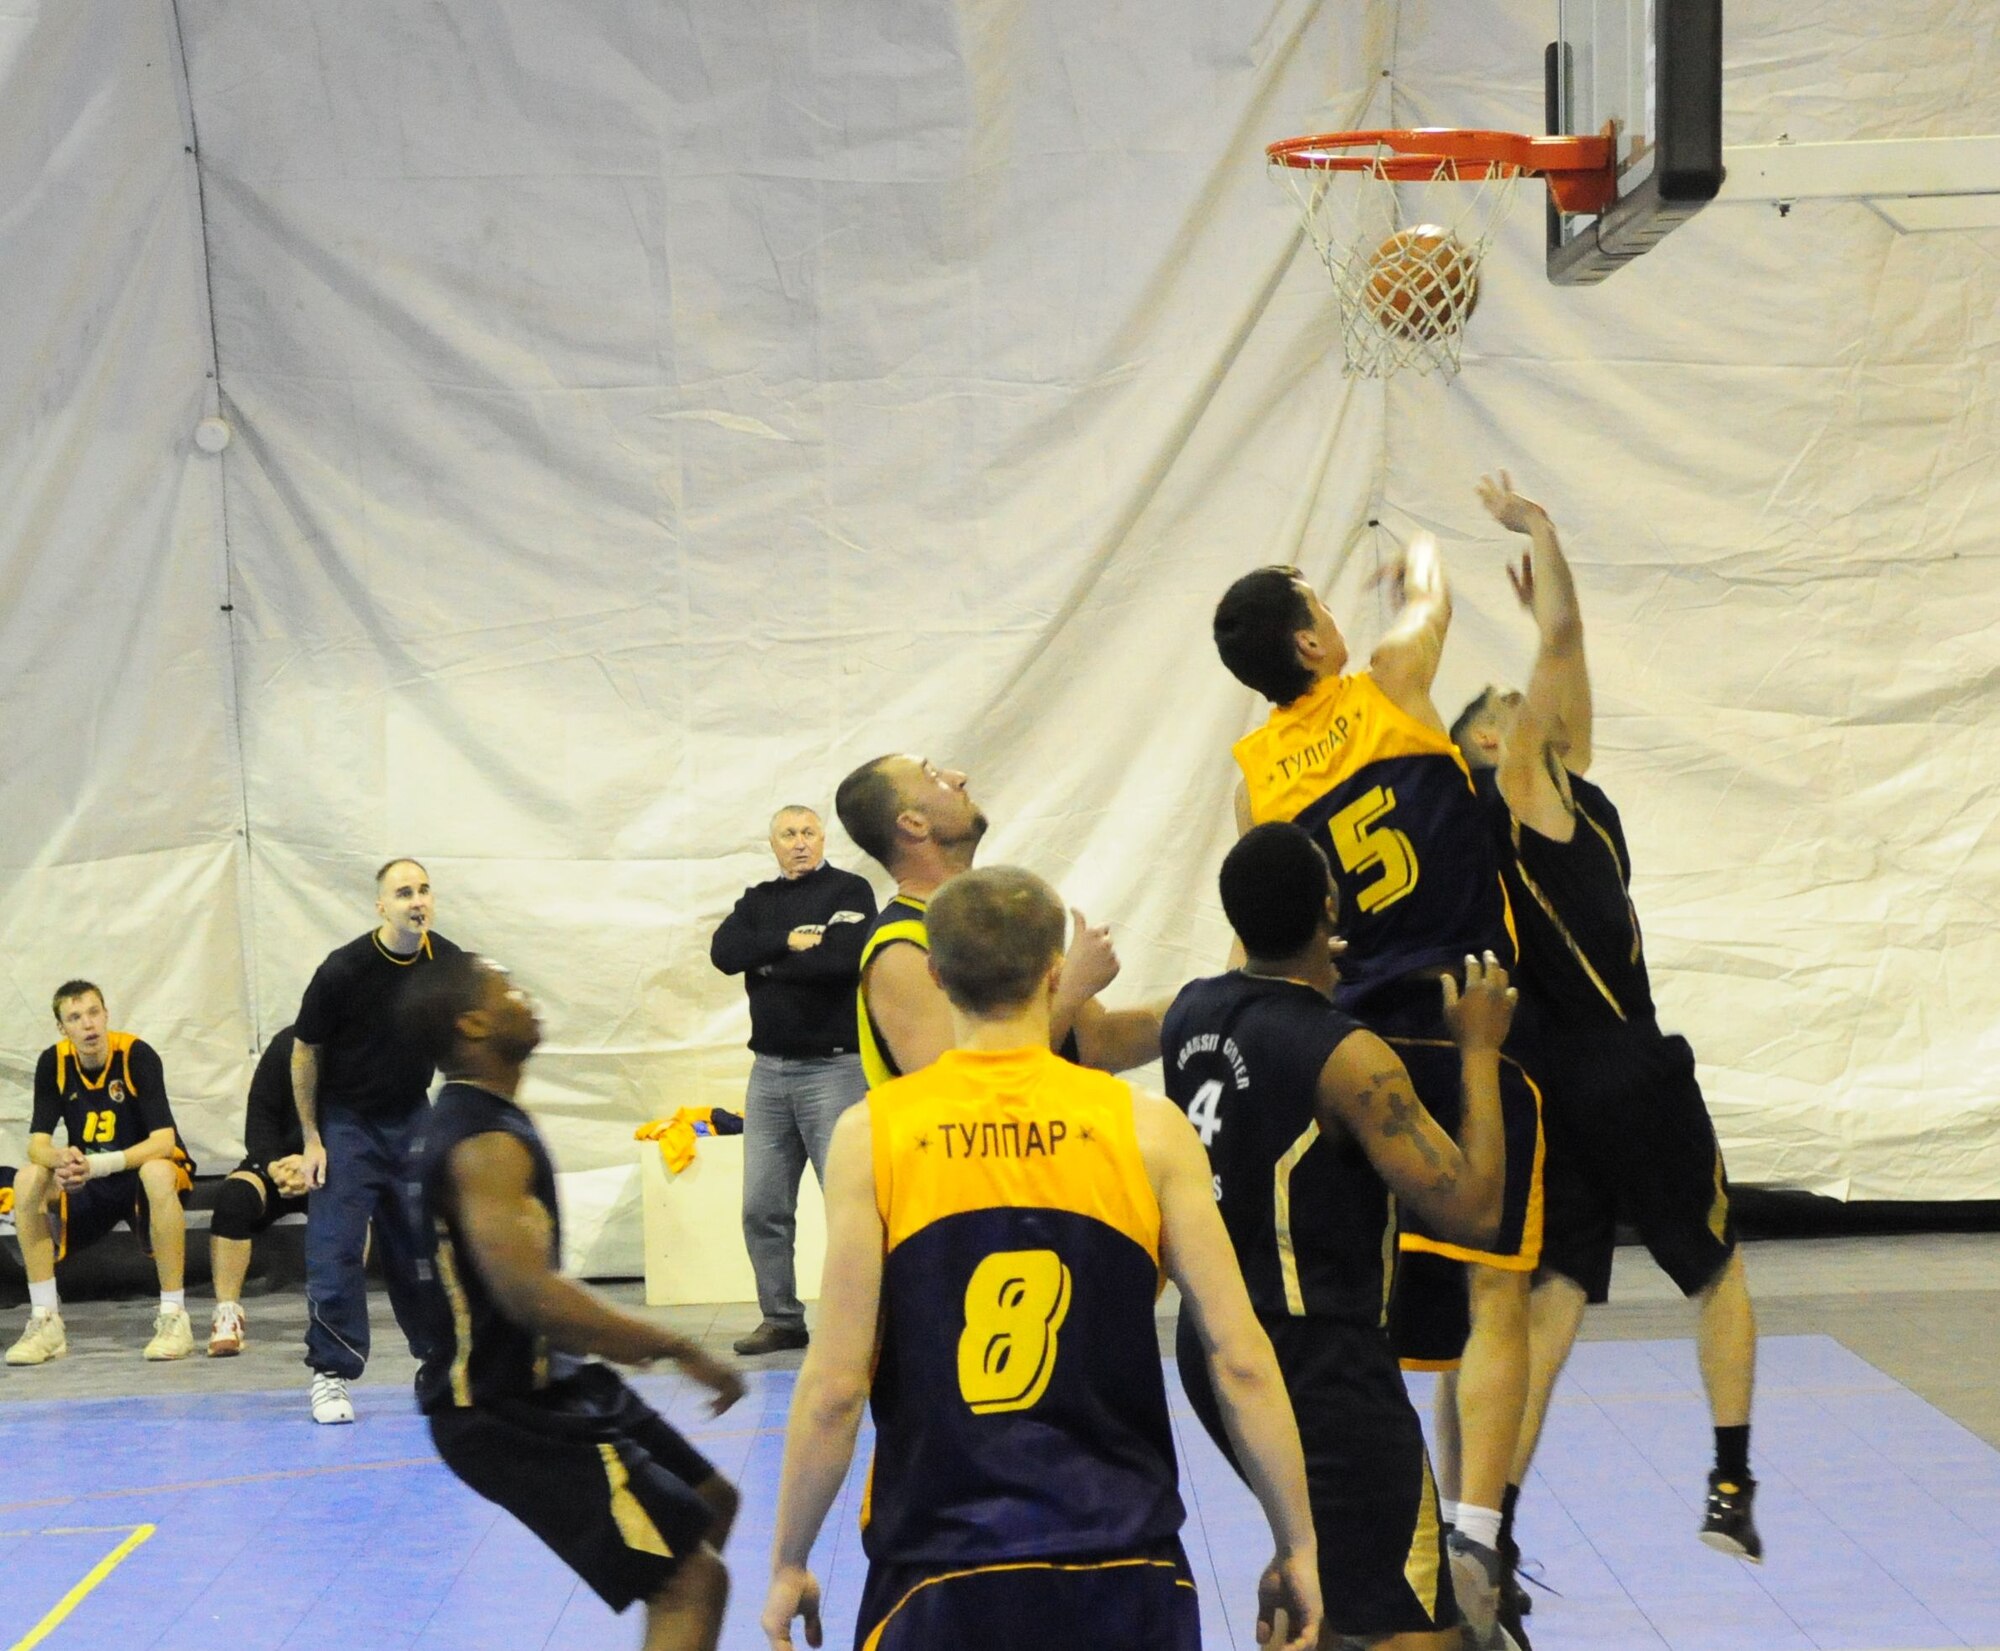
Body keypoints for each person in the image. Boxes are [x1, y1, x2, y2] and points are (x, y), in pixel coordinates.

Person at [761, 867, 1321, 1651]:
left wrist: (790, 1556)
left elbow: (834, 1386)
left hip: (942, 1564)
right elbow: (1241, 1360)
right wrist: (1296, 1540)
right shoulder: (1149, 1129)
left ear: (935, 973)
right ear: (1056, 971)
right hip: (1125, 1562)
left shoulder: (874, 1133)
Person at [1213, 542, 1544, 1649]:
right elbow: (1432, 598)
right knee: (1498, 1279)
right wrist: (1414, 551)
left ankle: (1352, 1535)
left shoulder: (1255, 765)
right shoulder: (1391, 687)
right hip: (1460, 1010)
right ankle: (1478, 1526)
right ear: (1311, 640)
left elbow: (1261, 909)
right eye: (1313, 604)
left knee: (1372, 1308)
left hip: (1349, 1038)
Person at [1453, 473, 1761, 1569]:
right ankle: (1729, 1483)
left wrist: (1554, 588)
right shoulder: (1525, 796)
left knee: (1558, 1296)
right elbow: (1563, 643)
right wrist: (1536, 529)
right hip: (1620, 1059)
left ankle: (1490, 1528)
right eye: (1506, 713)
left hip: (1542, 1076)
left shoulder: (1535, 806)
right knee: (1715, 1268)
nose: (1527, 708)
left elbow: (1569, 672)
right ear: (1494, 748)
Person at [1167, 822, 1519, 1649]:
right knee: (1421, 1626)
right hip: (1316, 1361)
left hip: (1213, 1341)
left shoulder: (1191, 1012)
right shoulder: (1348, 1059)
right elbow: (1472, 1208)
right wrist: (1479, 1049)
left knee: (1318, 1565)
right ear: (1331, 905)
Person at [401, 953, 746, 1651]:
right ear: (474, 1022)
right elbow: (531, 1295)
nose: (526, 995)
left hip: (553, 1380)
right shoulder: (482, 1140)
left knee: (710, 1500)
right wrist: (677, 1346)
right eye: (509, 989)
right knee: (693, 1581)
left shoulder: (483, 1119)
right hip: (501, 1411)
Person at [833, 754, 1151, 1084]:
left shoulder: (998, 922)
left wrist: (1201, 1002)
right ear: (913, 823)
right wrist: (1071, 989)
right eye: (933, 776)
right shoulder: (900, 948)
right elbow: (961, 1091)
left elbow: (1100, 1042)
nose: (959, 777)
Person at [293, 857, 463, 1423]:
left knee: (420, 1247)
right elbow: (305, 1050)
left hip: (411, 1115)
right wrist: (312, 1138)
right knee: (337, 1245)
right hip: (347, 1119)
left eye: (424, 890)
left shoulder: (450, 963)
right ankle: (331, 1373)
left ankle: (439, 1365)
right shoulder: (343, 970)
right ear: (381, 907)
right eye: (404, 892)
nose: (417, 901)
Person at [709, 806, 878, 1357]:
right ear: (773, 843)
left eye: (808, 833)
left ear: (823, 837)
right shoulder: (758, 900)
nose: (800, 843)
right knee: (762, 1205)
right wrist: (792, 940)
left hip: (835, 1070)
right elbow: (724, 953)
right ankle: (781, 1319)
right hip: (769, 1074)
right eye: (789, 834)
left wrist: (767, 959)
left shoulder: (851, 891)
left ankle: (866, 1317)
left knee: (849, 1204)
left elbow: (843, 962)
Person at [7, 980, 197, 1365]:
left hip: (139, 1173)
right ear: (63, 1028)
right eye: (75, 1018)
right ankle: (45, 1319)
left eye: (94, 1013)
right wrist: (61, 1159)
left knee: (158, 1172)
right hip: (92, 1180)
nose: (88, 1025)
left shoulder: (136, 1055)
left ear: (106, 1014)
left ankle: (175, 1316)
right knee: (27, 1177)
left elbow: (163, 1140)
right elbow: (36, 1144)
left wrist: (98, 1164)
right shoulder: (54, 1062)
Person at [206, 1025, 312, 1357]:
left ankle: (336, 1312)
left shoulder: (360, 1053)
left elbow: (362, 1126)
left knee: (351, 1203)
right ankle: (227, 1312)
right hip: (280, 1165)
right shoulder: (286, 1045)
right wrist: (275, 1165)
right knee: (234, 1198)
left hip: (330, 1164)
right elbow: (259, 1119)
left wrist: (315, 1163)